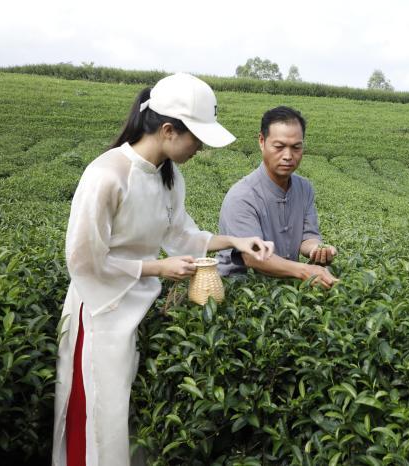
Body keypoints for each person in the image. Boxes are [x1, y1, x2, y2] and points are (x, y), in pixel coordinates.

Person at [52, 73, 274, 466]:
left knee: (132, 420)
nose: (199, 148)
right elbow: (84, 261)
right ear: (168, 130)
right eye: (196, 138)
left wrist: (237, 241)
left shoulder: (168, 177)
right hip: (101, 311)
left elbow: (181, 234)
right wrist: (158, 267)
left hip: (139, 307)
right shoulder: (107, 174)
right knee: (101, 416)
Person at [217, 106, 339, 288]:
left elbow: (308, 237)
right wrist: (305, 270)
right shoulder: (242, 196)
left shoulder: (304, 188)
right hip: (240, 289)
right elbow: (253, 257)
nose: (288, 156)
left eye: (296, 147)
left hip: (284, 287)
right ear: (262, 141)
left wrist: (317, 249)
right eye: (279, 147)